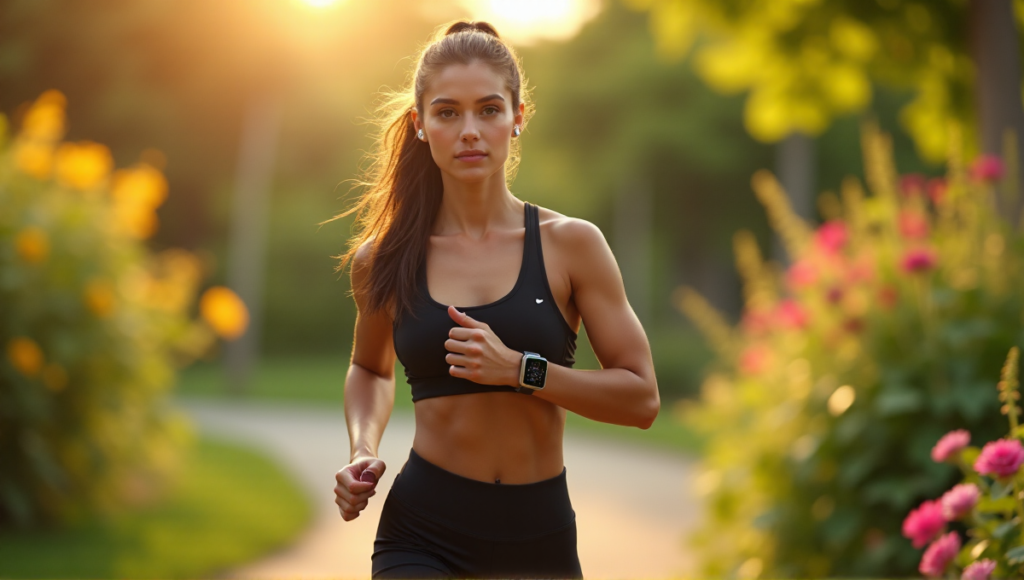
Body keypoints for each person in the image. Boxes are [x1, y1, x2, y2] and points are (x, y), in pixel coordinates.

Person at [328, 20, 660, 580]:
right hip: (422, 533)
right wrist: (362, 449)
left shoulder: (572, 244)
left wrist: (522, 371)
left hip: (539, 539)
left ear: (518, 117)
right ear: (420, 125)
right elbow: (369, 368)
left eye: (488, 109)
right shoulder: (383, 258)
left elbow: (641, 398)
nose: (469, 131)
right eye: (447, 112)